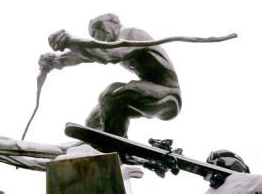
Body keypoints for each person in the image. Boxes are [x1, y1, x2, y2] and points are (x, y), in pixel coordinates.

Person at [40, 13, 180, 137]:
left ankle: (113, 146)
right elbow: (88, 55)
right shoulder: (115, 43)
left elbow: (108, 54)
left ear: (114, 22)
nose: (98, 36)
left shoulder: (131, 33)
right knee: (95, 120)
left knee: (110, 96)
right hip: (148, 92)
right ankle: (100, 147)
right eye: (94, 35)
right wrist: (57, 60)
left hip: (168, 95)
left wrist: (70, 41)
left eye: (99, 27)